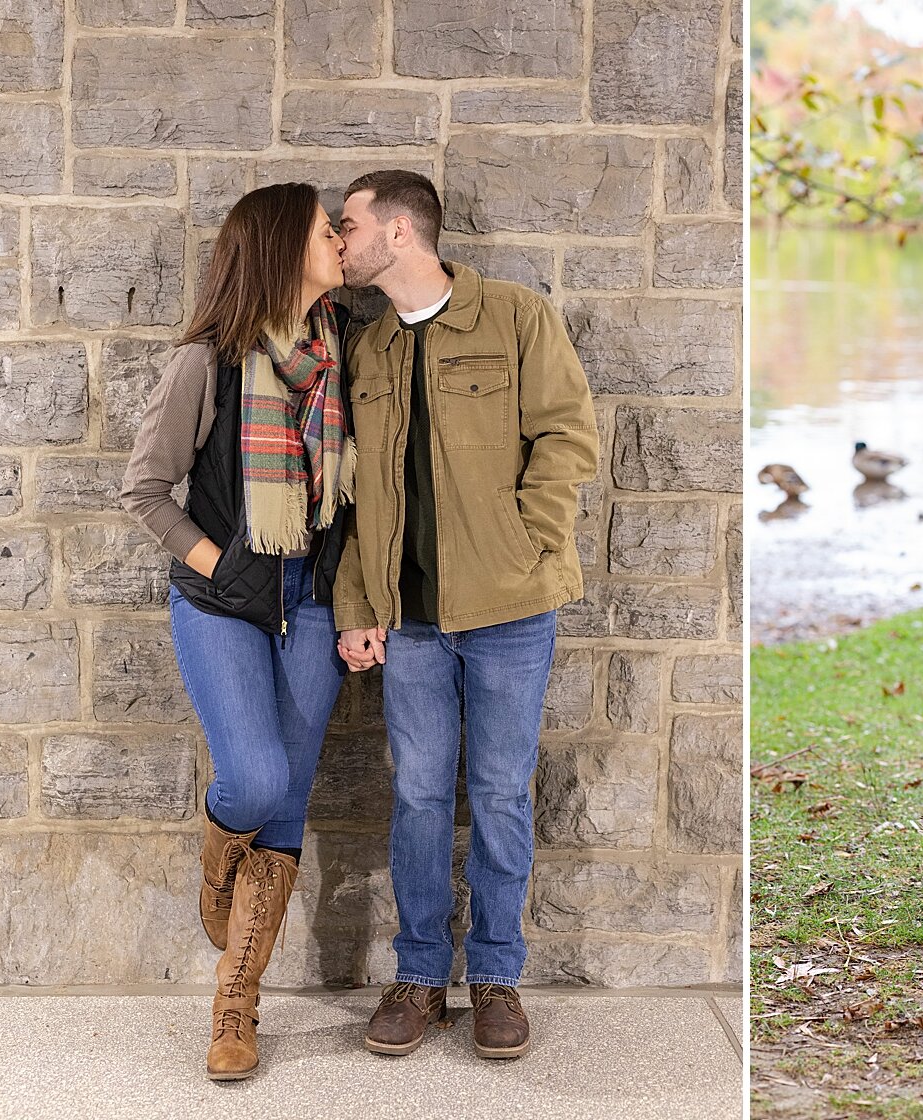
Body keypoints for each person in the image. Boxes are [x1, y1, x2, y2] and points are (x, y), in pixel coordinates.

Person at [333, 170, 597, 1060]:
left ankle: (495, 977)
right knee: (414, 794)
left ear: (400, 232)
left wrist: (526, 544)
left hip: (511, 609)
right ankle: (417, 977)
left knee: (496, 793)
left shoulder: (516, 316)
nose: (341, 240)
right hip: (407, 619)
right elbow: (358, 493)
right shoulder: (369, 349)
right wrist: (358, 603)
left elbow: (567, 437)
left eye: (350, 224)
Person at [120, 183, 355, 1081]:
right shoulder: (206, 362)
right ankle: (221, 857)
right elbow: (145, 491)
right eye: (323, 229)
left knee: (288, 803)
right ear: (277, 246)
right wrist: (224, 566)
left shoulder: (347, 352)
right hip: (222, 599)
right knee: (253, 781)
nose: (338, 239)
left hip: (317, 601)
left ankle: (235, 1010)